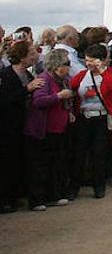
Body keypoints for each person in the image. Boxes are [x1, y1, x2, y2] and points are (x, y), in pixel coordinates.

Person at [26, 47, 76, 211]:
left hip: (59, 128)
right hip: (44, 130)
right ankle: (37, 199)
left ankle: (53, 195)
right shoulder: (44, 79)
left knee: (56, 163)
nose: (69, 67)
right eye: (66, 64)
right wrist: (58, 96)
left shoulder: (63, 80)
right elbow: (38, 101)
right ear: (57, 65)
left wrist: (69, 112)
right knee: (41, 165)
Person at [72, 44, 112, 199]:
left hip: (100, 118)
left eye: (92, 61)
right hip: (84, 118)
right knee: (79, 154)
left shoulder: (111, 73)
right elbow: (73, 85)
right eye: (87, 60)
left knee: (98, 154)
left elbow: (111, 87)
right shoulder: (82, 75)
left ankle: (99, 186)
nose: (89, 64)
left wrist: (101, 71)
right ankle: (74, 186)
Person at [1, 40, 39, 212]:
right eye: (31, 53)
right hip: (8, 127)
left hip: (23, 125)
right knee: (8, 161)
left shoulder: (28, 74)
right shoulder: (7, 75)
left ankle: (15, 195)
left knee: (19, 160)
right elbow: (5, 100)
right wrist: (27, 90)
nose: (35, 56)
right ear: (22, 57)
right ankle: (5, 199)